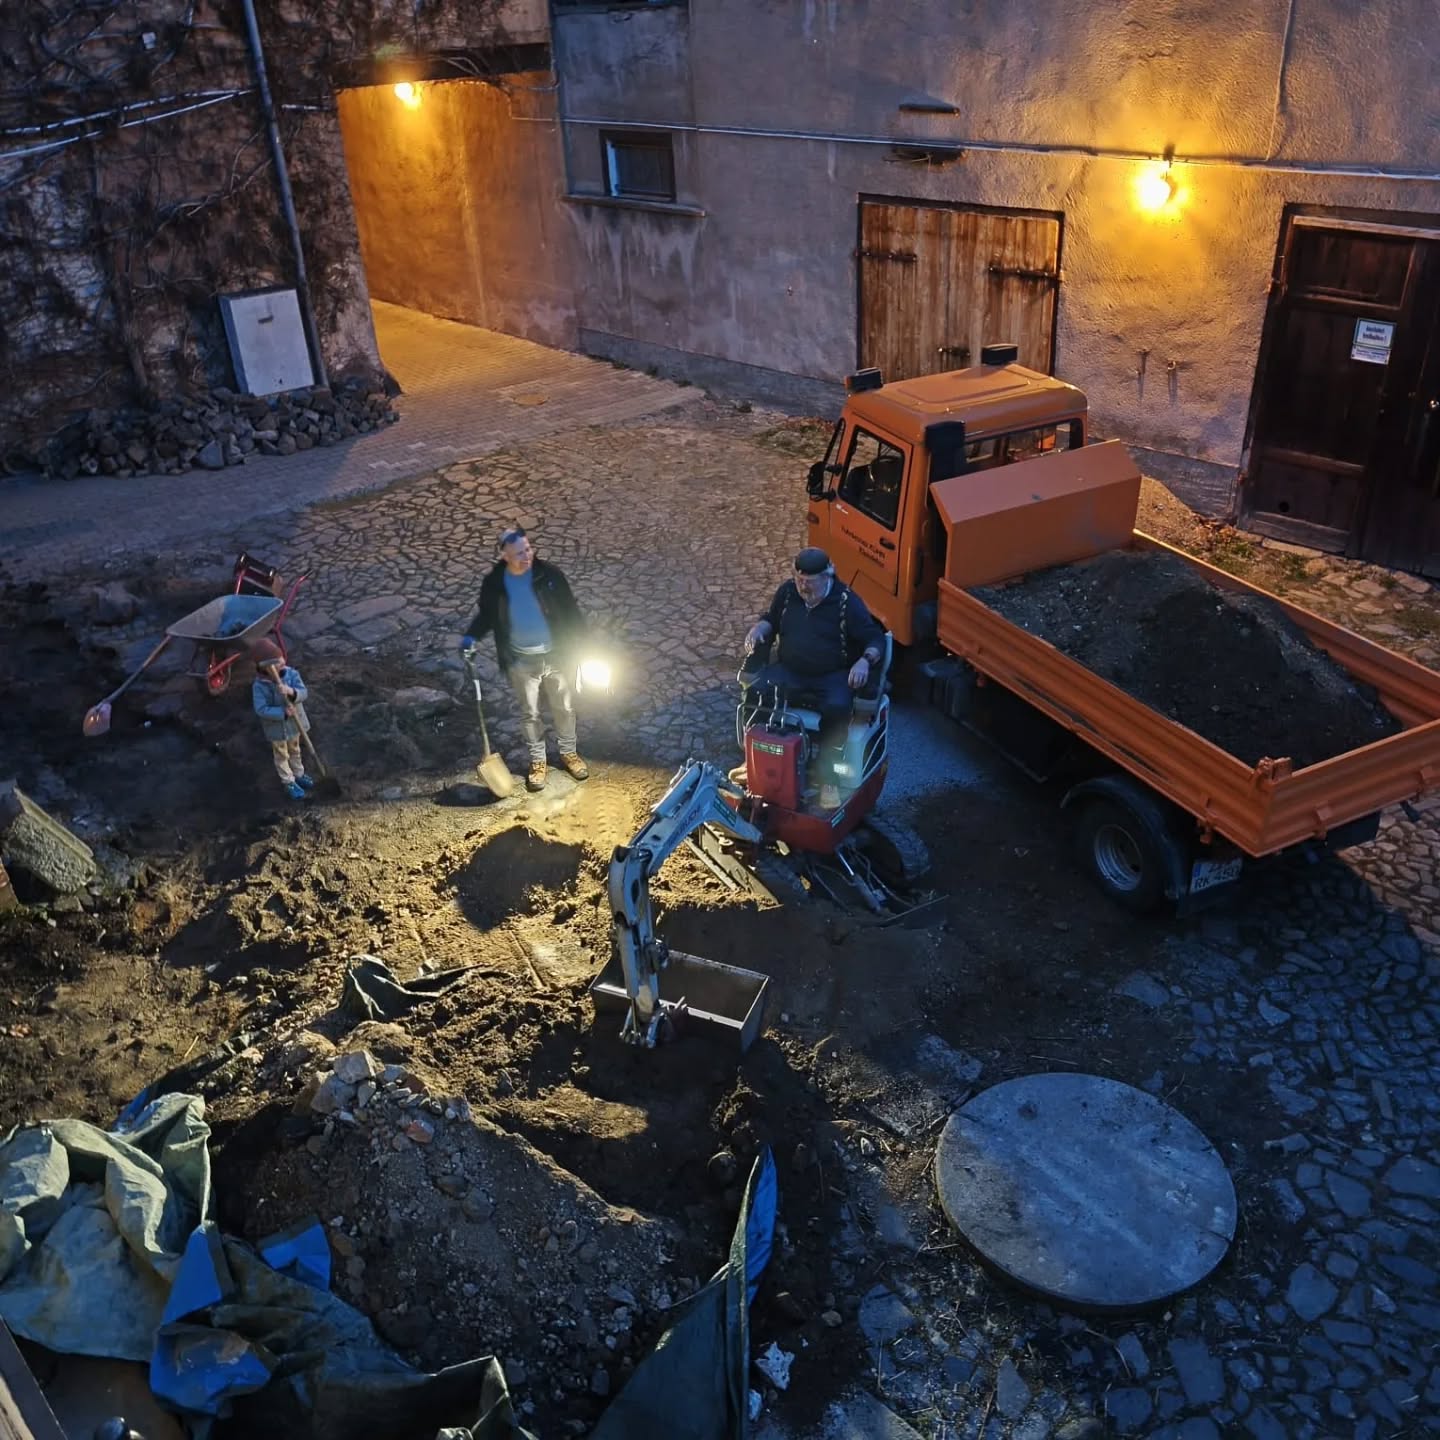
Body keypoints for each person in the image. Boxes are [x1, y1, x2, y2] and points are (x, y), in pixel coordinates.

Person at [743, 546, 885, 809]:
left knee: (837, 708)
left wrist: (865, 661)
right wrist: (760, 627)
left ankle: (829, 778)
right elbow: (771, 619)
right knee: (756, 692)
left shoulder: (846, 602)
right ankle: (753, 759)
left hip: (831, 676)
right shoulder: (787, 593)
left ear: (826, 576)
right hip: (790, 670)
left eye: (809, 582)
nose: (803, 587)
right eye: (799, 580)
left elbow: (874, 638)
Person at [461, 525, 590, 793]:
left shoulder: (549, 576)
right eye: (519, 553)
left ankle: (569, 753)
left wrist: (583, 642)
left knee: (564, 708)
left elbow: (570, 611)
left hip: (556, 656)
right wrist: (471, 636)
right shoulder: (495, 584)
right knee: (530, 713)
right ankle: (538, 761)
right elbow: (486, 616)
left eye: (528, 549)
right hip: (521, 661)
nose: (526, 556)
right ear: (505, 556)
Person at [250, 638, 314, 801]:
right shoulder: (260, 686)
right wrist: (283, 712)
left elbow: (303, 692)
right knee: (281, 755)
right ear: (265, 667)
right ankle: (288, 781)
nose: (283, 663)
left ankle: (299, 773)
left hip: (294, 725)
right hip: (277, 729)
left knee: (295, 750)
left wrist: (291, 691)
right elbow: (261, 709)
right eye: (278, 662)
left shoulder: (292, 674)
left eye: (281, 659)